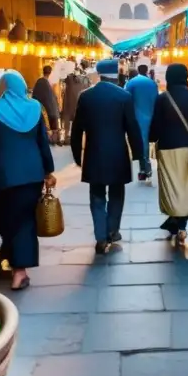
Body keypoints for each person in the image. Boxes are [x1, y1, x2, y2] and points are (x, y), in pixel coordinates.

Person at [0, 70, 56, 291]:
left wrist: (2, 151)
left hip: (5, 176)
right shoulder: (34, 109)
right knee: (25, 221)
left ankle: (4, 264)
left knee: (2, 218)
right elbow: (43, 143)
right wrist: (48, 172)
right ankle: (19, 272)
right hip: (32, 175)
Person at [70, 58, 143, 254]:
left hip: (94, 153)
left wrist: (77, 155)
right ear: (116, 75)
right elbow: (132, 127)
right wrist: (138, 153)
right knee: (117, 193)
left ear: (100, 74)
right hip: (118, 153)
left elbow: (77, 129)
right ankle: (112, 230)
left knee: (96, 195)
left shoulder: (86, 96)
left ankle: (100, 236)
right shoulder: (124, 96)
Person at [149, 63, 188, 246]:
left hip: (167, 148)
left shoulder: (163, 99)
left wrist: (152, 138)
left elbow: (155, 127)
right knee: (187, 186)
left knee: (171, 186)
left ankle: (175, 220)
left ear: (168, 77)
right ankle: (180, 224)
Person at [125, 63, 158, 182]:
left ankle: (144, 168)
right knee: (146, 143)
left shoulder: (132, 82)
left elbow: (126, 98)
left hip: (137, 116)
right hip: (151, 116)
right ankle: (145, 167)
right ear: (147, 70)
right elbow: (156, 99)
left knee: (141, 142)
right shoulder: (152, 83)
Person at [60, 61, 90, 145]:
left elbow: (62, 77)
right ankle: (77, 139)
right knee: (78, 122)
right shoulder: (86, 79)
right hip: (79, 104)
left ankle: (67, 137)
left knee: (68, 120)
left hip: (70, 103)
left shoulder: (70, 78)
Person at [32, 64, 61, 143]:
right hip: (49, 111)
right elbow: (50, 99)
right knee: (53, 121)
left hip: (39, 109)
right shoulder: (46, 83)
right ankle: (53, 139)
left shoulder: (39, 82)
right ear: (50, 73)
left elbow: (34, 96)